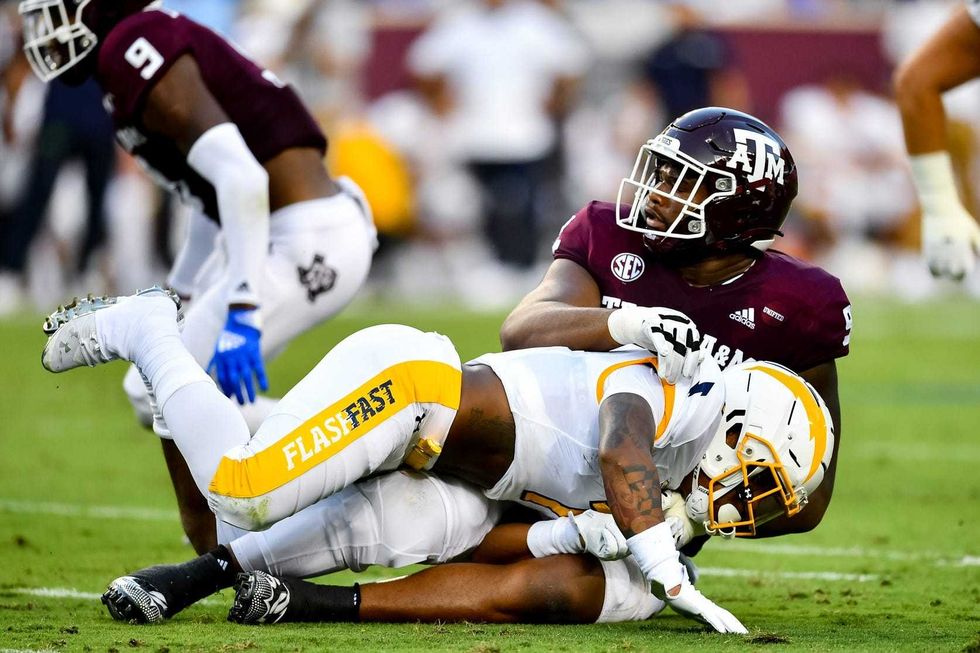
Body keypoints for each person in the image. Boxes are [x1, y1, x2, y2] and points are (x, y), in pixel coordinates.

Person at [39, 287, 828, 633]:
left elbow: (517, 538)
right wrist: (662, 560)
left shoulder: (669, 488)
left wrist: (577, 539)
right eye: (755, 474)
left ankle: (206, 547)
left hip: (444, 463)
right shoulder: (676, 389)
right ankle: (148, 331)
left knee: (345, 526)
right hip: (409, 391)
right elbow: (623, 438)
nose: (740, 499)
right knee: (242, 490)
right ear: (736, 419)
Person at [18, 0, 377, 552]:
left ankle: (216, 552)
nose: (45, 27)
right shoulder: (130, 56)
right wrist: (178, 291)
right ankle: (360, 430)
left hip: (307, 235)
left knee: (171, 381)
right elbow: (212, 201)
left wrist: (242, 308)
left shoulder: (135, 40)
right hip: (273, 230)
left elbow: (242, 180)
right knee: (147, 386)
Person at [500, 106, 851, 538]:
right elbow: (522, 330)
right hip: (540, 455)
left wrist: (693, 520)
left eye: (681, 182)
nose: (656, 194)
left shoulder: (799, 303)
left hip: (651, 507)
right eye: (660, 174)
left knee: (583, 594)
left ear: (736, 207)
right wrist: (625, 325)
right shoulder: (607, 234)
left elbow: (808, 492)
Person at [893, 0, 980, 281]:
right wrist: (939, 206)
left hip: (965, 118)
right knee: (944, 192)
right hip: (946, 116)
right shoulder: (913, 15)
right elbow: (916, 81)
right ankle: (917, 260)